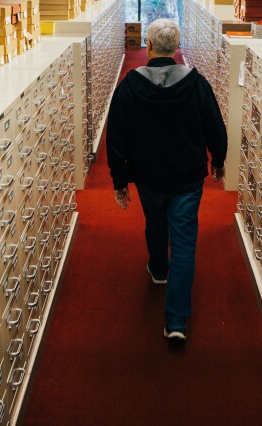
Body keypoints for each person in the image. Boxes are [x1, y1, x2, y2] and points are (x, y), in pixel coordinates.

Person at [105, 18, 227, 342]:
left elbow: (115, 136)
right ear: (176, 47)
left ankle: (159, 269)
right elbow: (215, 126)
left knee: (155, 222)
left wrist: (119, 179)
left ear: (148, 46)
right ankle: (176, 323)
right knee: (184, 243)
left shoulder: (130, 86)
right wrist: (219, 160)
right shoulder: (197, 84)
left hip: (148, 175)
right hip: (187, 177)